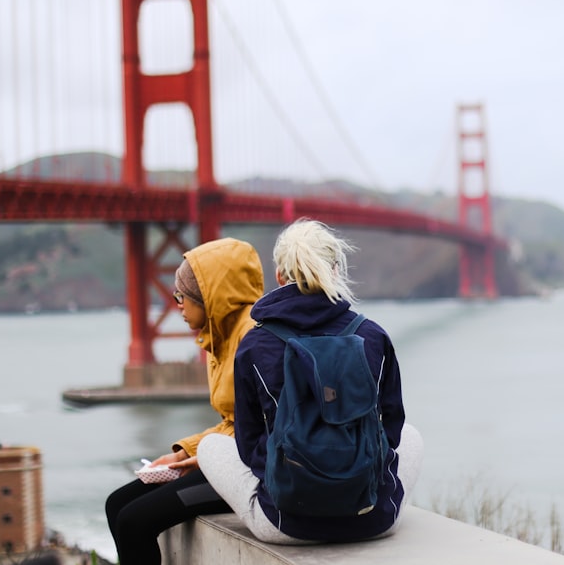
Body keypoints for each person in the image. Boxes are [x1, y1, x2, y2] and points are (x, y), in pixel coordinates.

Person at [198, 218, 423, 544]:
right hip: (372, 521)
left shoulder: (254, 345)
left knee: (210, 446)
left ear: (279, 275)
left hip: (287, 525)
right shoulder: (373, 336)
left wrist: (294, 472)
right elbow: (392, 429)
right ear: (335, 270)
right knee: (412, 434)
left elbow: (249, 446)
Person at [105, 237, 265, 565]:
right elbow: (233, 422)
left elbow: (265, 427)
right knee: (116, 504)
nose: (176, 303)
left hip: (252, 470)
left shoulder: (254, 339)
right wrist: (184, 452)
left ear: (210, 296)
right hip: (230, 458)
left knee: (134, 521)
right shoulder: (217, 336)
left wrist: (201, 458)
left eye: (183, 295)